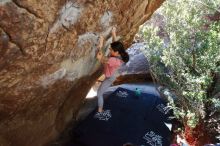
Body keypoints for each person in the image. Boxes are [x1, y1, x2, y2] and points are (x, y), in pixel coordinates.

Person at [96, 27, 129, 113]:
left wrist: (101, 42)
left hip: (110, 77)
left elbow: (100, 57)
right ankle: (100, 108)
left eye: (111, 50)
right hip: (112, 72)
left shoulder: (114, 60)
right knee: (100, 92)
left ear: (116, 52)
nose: (109, 50)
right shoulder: (120, 52)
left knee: (99, 94)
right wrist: (113, 32)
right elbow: (115, 43)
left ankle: (100, 109)